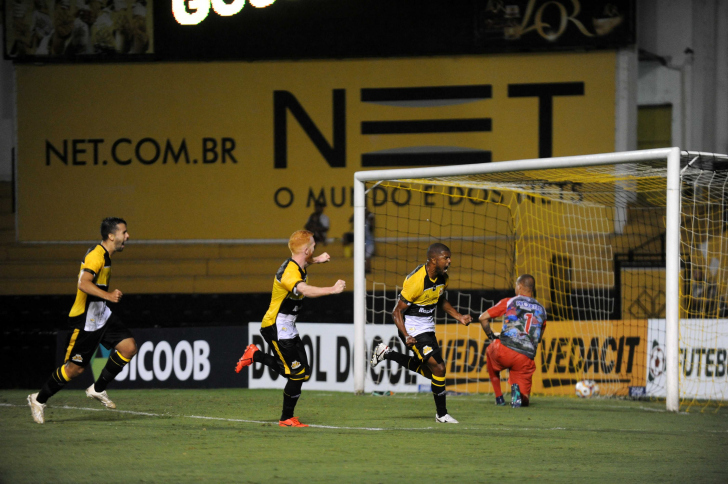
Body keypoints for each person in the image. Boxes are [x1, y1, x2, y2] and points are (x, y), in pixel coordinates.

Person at [27, 217, 138, 424]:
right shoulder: (97, 255)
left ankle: (97, 388)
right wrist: (109, 296)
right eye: (124, 232)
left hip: (101, 314)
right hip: (86, 320)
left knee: (129, 347)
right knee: (74, 369)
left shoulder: (105, 255)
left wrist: (105, 301)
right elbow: (83, 284)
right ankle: (38, 399)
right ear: (111, 236)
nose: (128, 236)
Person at [235, 229, 346, 427]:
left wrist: (316, 260)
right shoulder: (289, 273)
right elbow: (304, 289)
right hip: (276, 326)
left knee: (302, 372)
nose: (315, 246)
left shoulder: (298, 262)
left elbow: (303, 261)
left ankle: (255, 355)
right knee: (296, 373)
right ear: (306, 249)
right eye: (313, 245)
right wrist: (332, 289)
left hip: (288, 326)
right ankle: (286, 418)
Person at [370, 242, 472, 423]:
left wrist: (459, 317)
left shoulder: (443, 278)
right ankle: (442, 415)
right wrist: (407, 335)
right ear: (434, 260)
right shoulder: (416, 281)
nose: (449, 261)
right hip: (412, 328)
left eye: (449, 258)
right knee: (439, 368)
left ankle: (387, 353)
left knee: (432, 373)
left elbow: (440, 300)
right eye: (445, 258)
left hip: (427, 327)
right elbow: (397, 312)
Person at [477, 274, 546, 408]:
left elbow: (482, 318)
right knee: (524, 400)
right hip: (525, 358)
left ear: (520, 286)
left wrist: (492, 336)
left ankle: (499, 397)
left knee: (490, 349)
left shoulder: (510, 302)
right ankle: (518, 395)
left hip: (505, 351)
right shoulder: (542, 310)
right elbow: (538, 339)